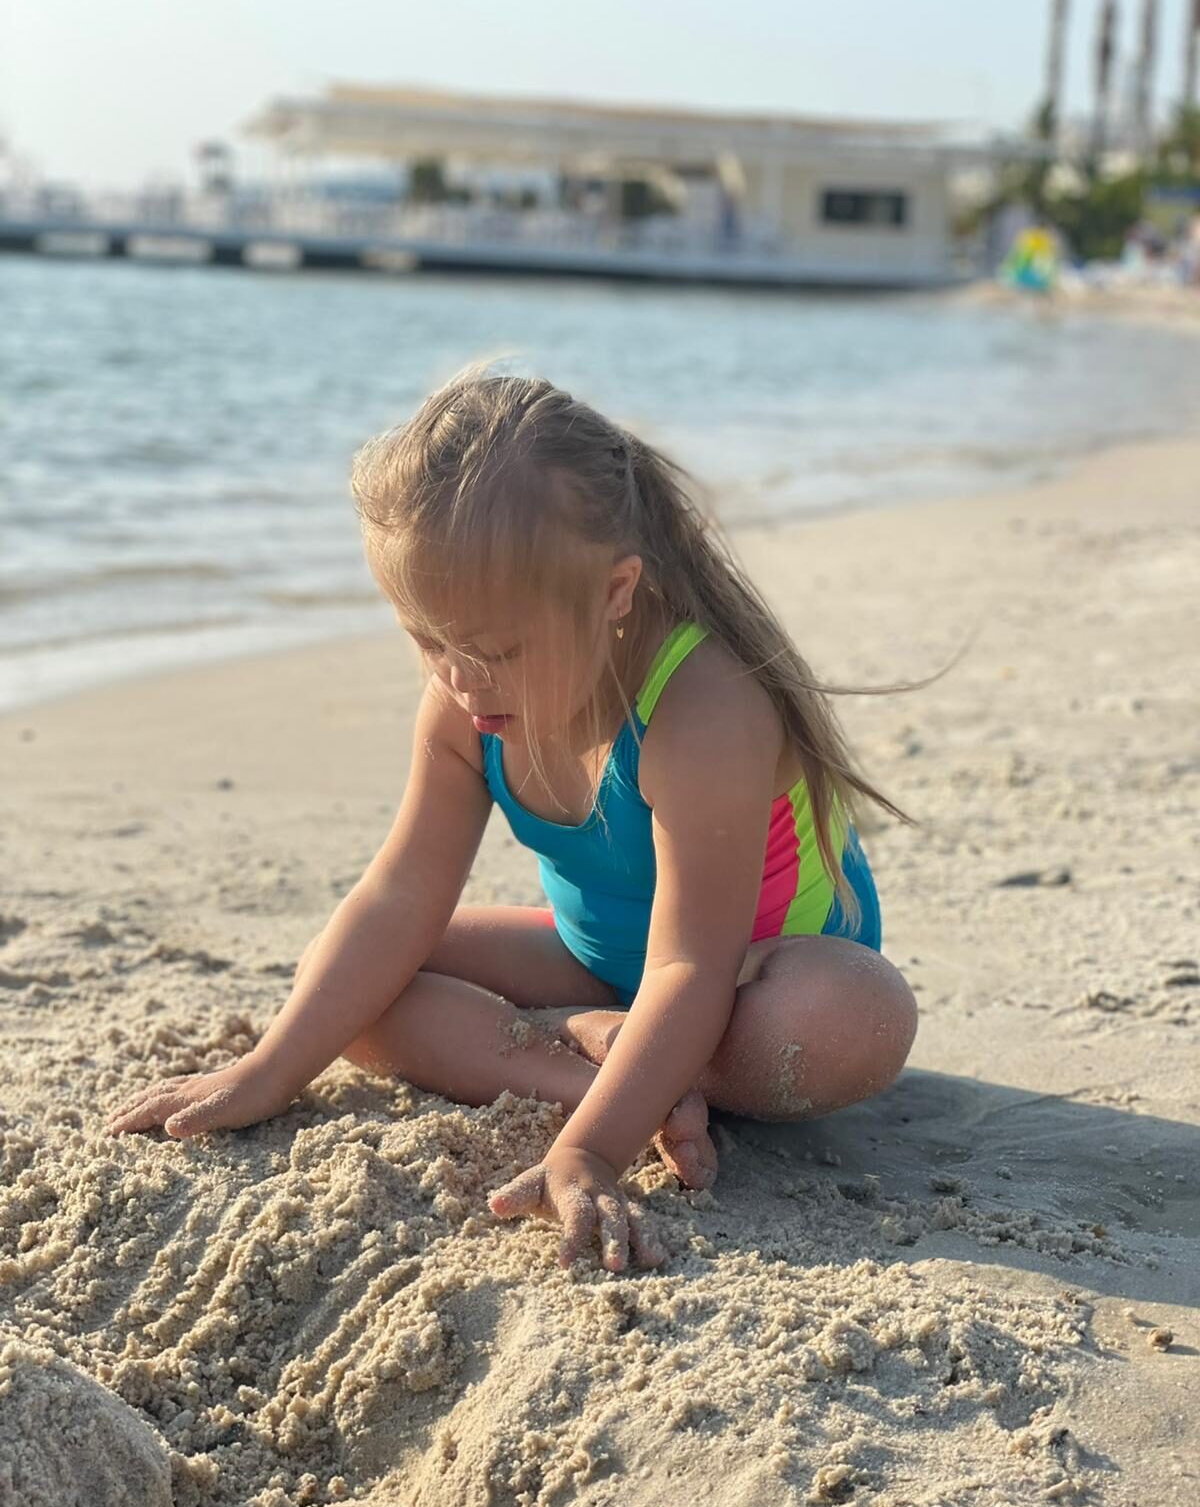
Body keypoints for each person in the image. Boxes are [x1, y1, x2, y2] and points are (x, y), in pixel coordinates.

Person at [108, 369, 918, 1273]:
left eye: (493, 650)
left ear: (615, 592)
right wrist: (266, 1072)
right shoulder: (466, 696)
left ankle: (629, 1074)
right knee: (351, 984)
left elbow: (691, 963)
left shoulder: (702, 709)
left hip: (753, 976)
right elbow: (400, 893)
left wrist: (589, 1154)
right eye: (428, 639)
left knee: (853, 1017)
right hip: (596, 963)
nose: (457, 679)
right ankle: (588, 1061)